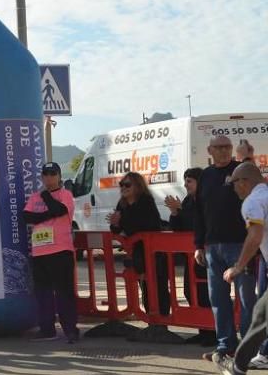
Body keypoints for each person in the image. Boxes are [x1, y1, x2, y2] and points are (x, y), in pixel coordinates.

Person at [194, 136, 256, 361]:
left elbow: (256, 186)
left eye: (226, 147)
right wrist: (198, 244)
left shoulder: (240, 171)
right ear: (209, 150)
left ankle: (249, 347)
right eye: (218, 147)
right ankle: (225, 346)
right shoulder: (206, 176)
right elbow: (199, 212)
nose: (223, 151)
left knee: (246, 298)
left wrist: (247, 157)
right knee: (218, 299)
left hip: (241, 245)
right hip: (213, 247)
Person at [213, 162, 268, 375]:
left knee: (262, 318)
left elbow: (254, 237)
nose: (233, 188)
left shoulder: (252, 203)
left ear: (244, 182)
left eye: (233, 183)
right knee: (261, 315)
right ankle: (238, 367)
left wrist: (237, 266)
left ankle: (238, 368)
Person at [108, 171, 173, 340]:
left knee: (158, 285)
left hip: (152, 251)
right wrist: (115, 224)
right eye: (121, 185)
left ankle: (162, 322)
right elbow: (117, 229)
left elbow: (146, 224)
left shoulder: (146, 201)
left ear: (138, 186)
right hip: (136, 251)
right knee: (144, 285)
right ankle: (152, 321)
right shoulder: (121, 204)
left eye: (127, 185)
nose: (123, 188)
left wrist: (121, 221)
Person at [22, 162, 78, 343]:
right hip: (39, 252)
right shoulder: (34, 197)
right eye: (45, 174)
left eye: (53, 173)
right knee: (43, 293)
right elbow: (27, 217)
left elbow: (60, 210)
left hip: (61, 250)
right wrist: (48, 214)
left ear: (59, 176)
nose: (49, 177)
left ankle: (70, 329)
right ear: (42, 177)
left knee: (64, 292)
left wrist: (47, 197)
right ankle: (47, 329)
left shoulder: (66, 195)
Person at [165, 167, 215, 346]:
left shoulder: (207, 199)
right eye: (185, 181)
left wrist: (181, 210)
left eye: (189, 181)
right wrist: (174, 212)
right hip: (191, 255)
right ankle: (203, 330)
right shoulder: (187, 200)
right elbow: (178, 227)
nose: (185, 185)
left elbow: (200, 222)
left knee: (206, 293)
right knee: (190, 291)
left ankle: (212, 332)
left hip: (207, 253)